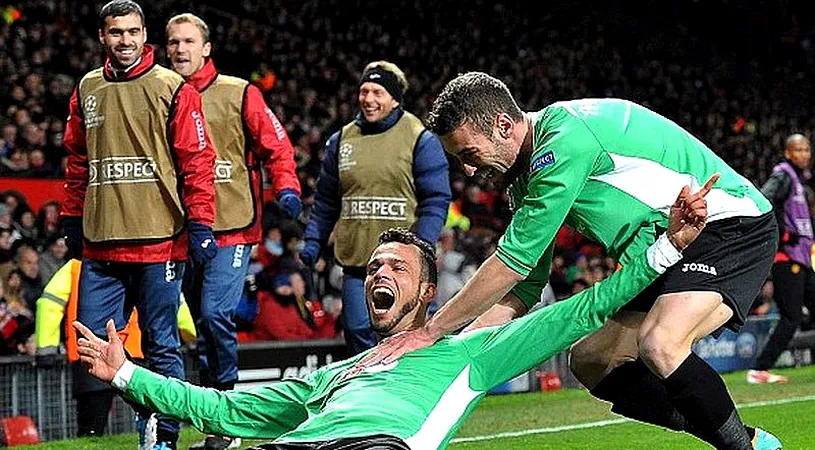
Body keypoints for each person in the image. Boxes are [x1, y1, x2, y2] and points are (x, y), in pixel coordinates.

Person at [74, 186, 718, 450]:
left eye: (396, 269)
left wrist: (666, 247)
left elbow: (586, 309)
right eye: (373, 266)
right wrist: (127, 374)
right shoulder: (334, 376)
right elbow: (224, 411)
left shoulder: (470, 351)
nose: (379, 274)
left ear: (428, 296)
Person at [359, 72, 780, 450]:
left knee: (660, 342)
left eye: (470, 153)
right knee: (591, 361)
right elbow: (523, 287)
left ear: (504, 126)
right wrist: (457, 350)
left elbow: (513, 262)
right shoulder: (525, 176)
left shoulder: (563, 141)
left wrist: (430, 332)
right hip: (664, 247)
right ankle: (742, 439)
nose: (468, 170)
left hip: (727, 225)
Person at [60, 1, 217, 449]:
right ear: (102, 37)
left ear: (144, 33)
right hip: (102, 245)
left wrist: (201, 223)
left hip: (159, 242)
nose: (125, 40)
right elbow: (76, 160)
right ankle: (150, 410)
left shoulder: (172, 86)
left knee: (162, 346)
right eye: (115, 33)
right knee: (91, 348)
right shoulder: (87, 87)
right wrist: (72, 215)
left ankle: (163, 437)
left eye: (132, 31)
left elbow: (197, 161)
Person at [165, 13, 302, 450]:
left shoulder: (240, 92)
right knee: (196, 327)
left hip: (232, 230)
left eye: (188, 41)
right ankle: (206, 414)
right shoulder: (160, 93)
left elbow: (276, 146)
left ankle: (224, 420)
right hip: (179, 229)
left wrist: (286, 188)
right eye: (173, 43)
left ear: (206, 48)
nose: (180, 50)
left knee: (214, 314)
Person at [300, 61, 451, 355]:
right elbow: (326, 200)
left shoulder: (419, 138)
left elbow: (435, 199)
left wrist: (423, 243)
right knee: (357, 331)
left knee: (403, 335)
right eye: (364, 91)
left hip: (403, 264)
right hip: (359, 263)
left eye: (377, 92)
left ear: (394, 98)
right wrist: (314, 239)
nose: (368, 99)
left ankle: (409, 395)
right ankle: (369, 397)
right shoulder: (341, 140)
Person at [34, 258, 197, 438]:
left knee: (92, 427)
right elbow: (173, 304)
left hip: (92, 351)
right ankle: (156, 436)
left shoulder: (75, 267)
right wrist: (192, 338)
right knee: (145, 408)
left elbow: (49, 304)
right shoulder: (153, 262)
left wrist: (45, 348)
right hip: (134, 351)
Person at [748, 134, 815, 384]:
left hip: (802, 259)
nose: (804, 154)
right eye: (798, 149)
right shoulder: (784, 175)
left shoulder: (800, 181)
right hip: (787, 258)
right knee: (791, 317)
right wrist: (783, 234)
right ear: (788, 153)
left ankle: (760, 369)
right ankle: (759, 369)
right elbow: (765, 198)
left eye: (807, 149)